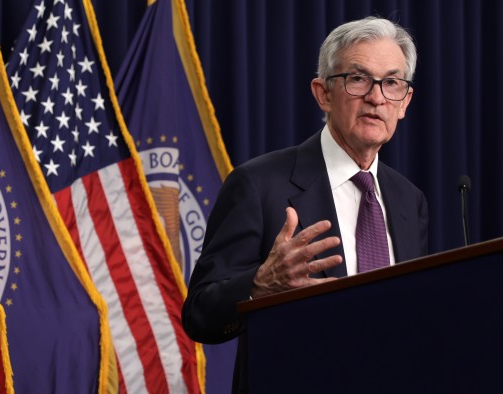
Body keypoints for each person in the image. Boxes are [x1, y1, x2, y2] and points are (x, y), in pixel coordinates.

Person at [182, 16, 429, 392]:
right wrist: (259, 286)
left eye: (392, 82)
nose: (377, 97)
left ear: (405, 101)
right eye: (358, 78)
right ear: (323, 93)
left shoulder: (410, 200)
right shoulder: (258, 184)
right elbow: (199, 313)